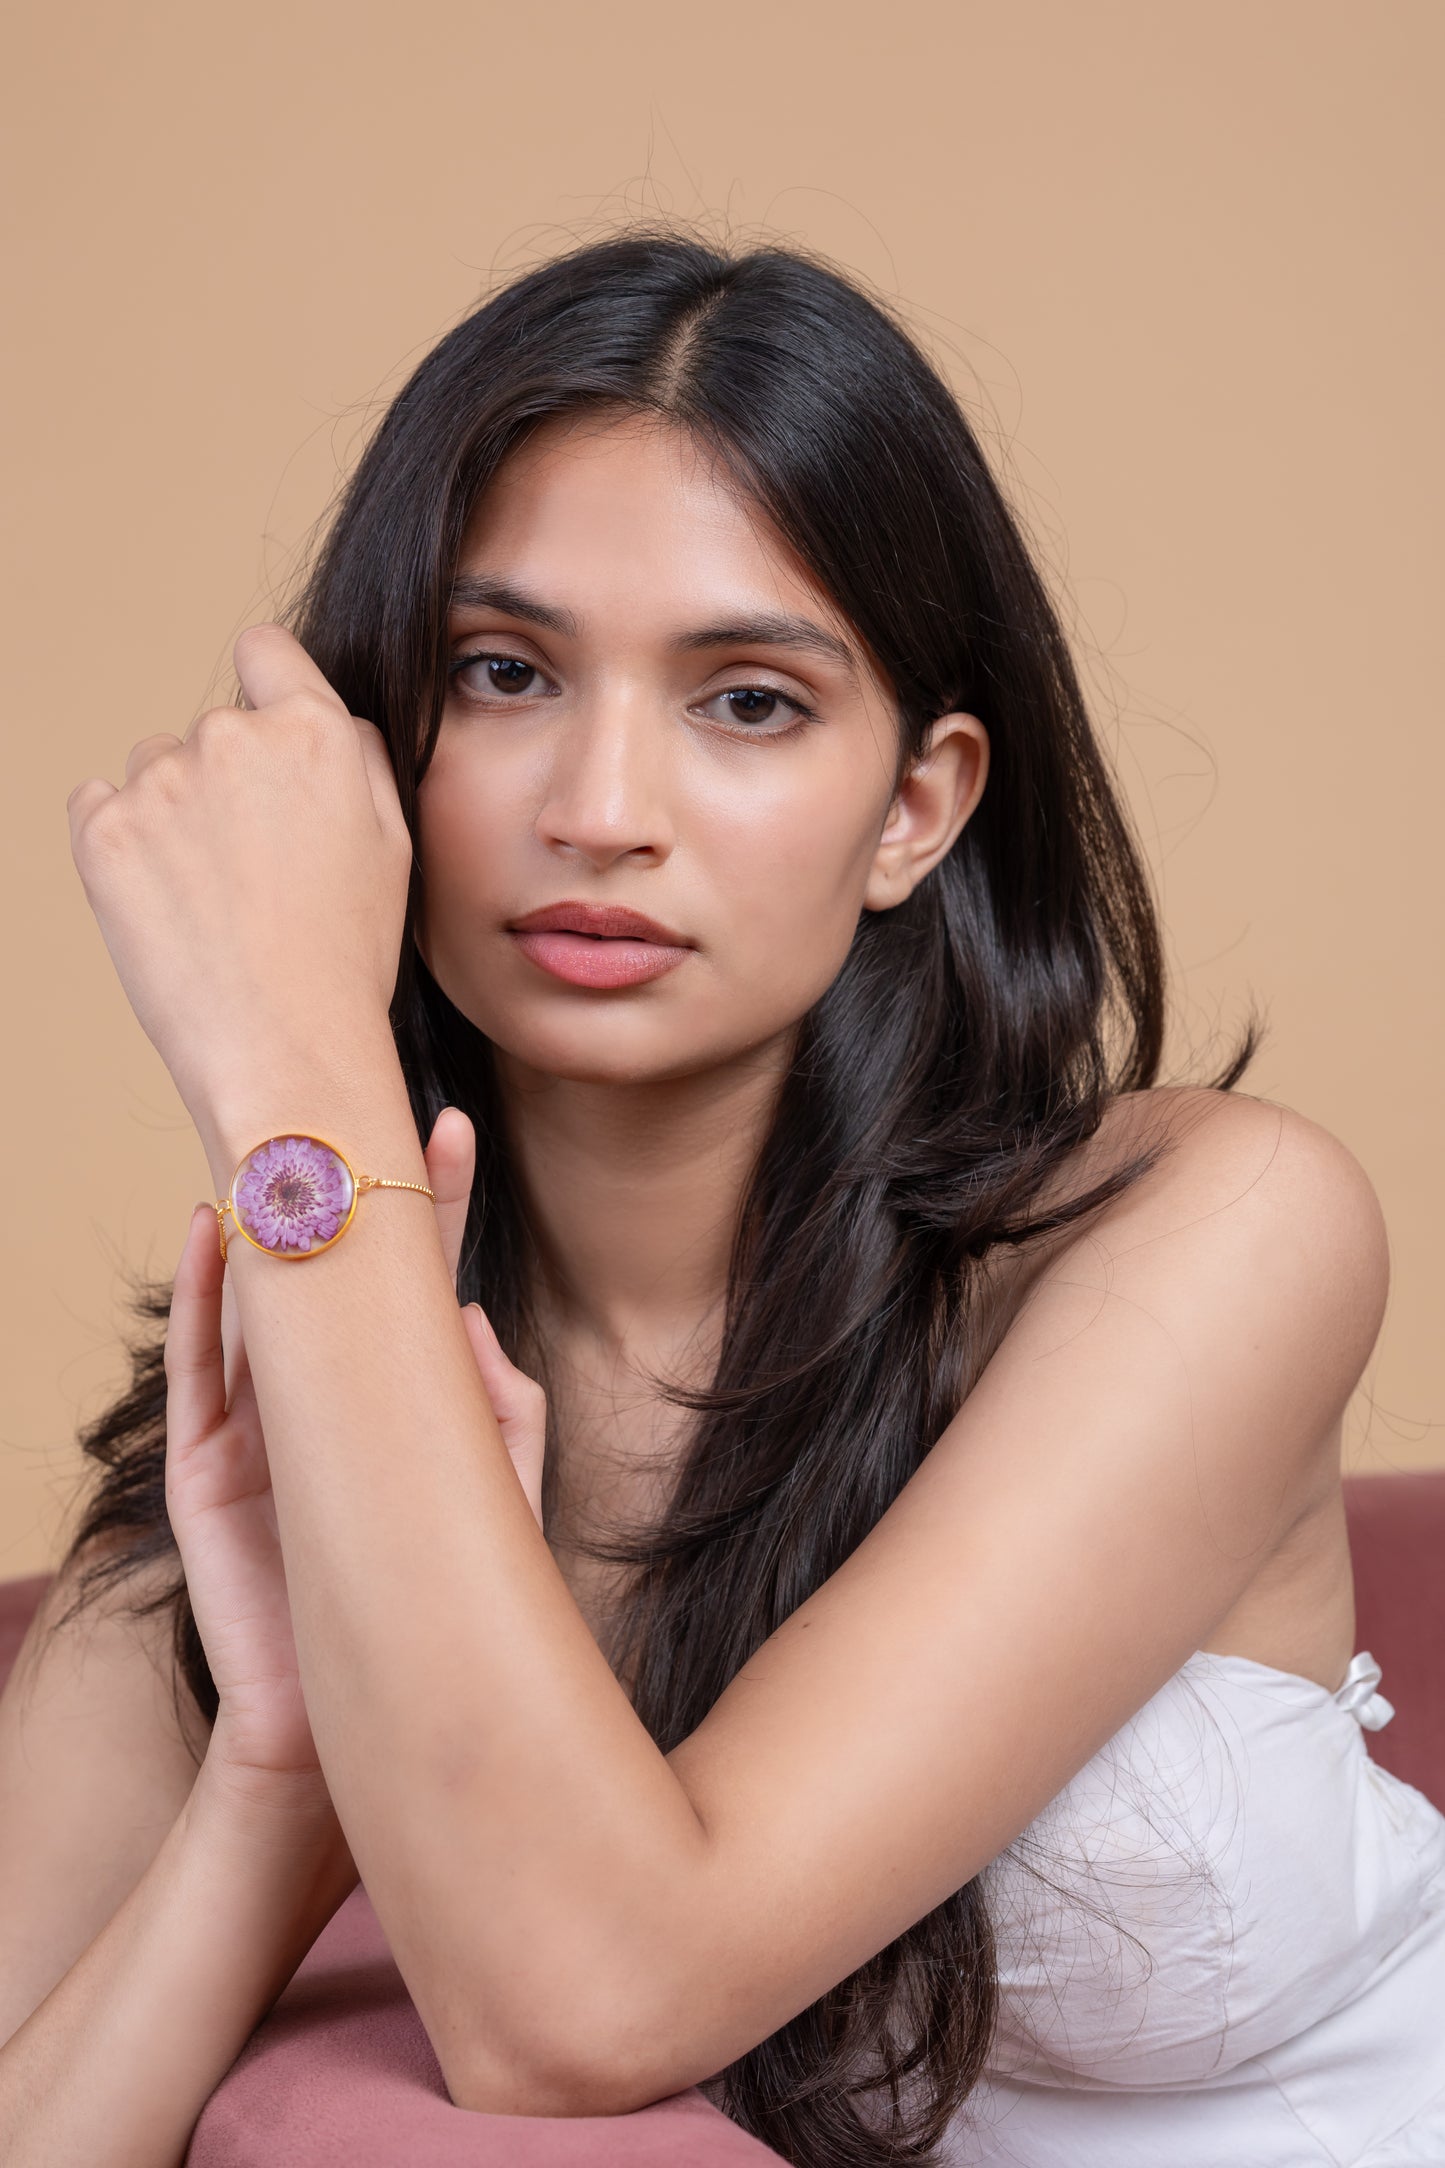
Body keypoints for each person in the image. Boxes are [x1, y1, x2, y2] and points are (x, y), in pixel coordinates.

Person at [2, 227, 1440, 2168]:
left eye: (746, 699)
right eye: (503, 673)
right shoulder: (260, 1479)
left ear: (917, 805)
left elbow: (580, 1999)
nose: (602, 804)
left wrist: (289, 1055)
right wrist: (272, 1782)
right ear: (375, 761)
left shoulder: (1209, 1234)